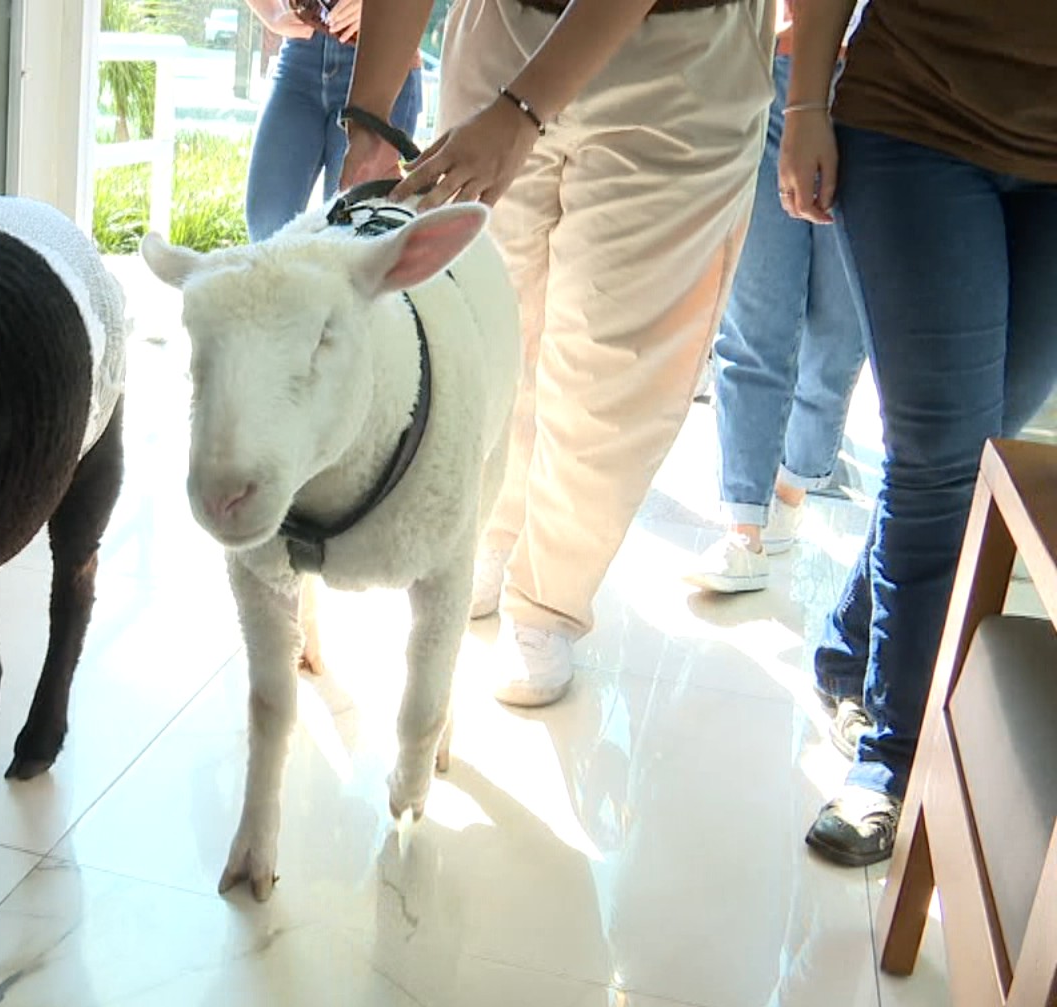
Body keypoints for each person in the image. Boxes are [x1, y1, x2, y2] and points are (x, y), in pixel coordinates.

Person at [339, 0, 775, 706]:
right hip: (506, 26)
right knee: (489, 317)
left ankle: (548, 599)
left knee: (615, 360)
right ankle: (489, 533)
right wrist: (369, 119)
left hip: (684, 50)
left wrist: (521, 113)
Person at [780, 0, 1057, 866]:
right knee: (941, 457)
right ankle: (890, 763)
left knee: (984, 453)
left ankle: (849, 645)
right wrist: (805, 104)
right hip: (915, 118)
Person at [686, 0, 870, 595]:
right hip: (766, 74)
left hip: (881, 92)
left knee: (840, 332)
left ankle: (794, 484)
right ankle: (744, 525)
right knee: (756, 318)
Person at [242, 0, 423, 241]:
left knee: (353, 232)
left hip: (379, 58)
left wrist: (381, 9)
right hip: (298, 57)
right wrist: (274, 14)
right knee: (267, 223)